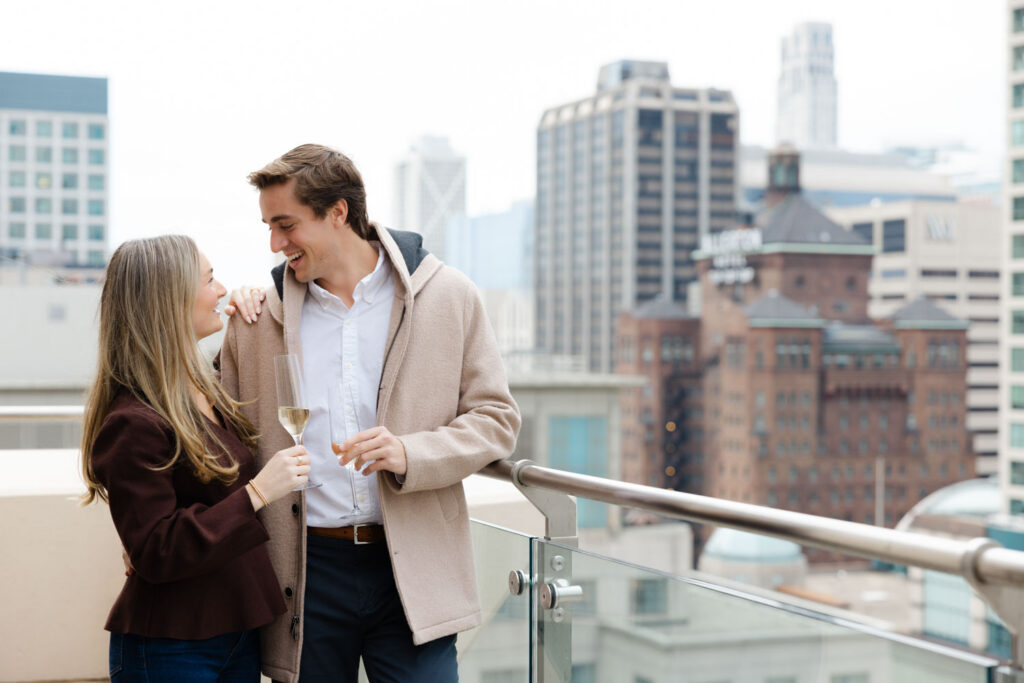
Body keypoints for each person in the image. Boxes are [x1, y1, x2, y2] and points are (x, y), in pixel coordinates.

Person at [218, 144, 521, 683]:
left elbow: (496, 418)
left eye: (286, 224)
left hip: (415, 571)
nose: (274, 243)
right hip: (305, 575)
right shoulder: (258, 318)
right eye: (268, 226)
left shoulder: (448, 297)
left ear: (338, 212)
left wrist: (412, 452)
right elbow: (217, 440)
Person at [81, 235, 312, 682]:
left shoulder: (206, 388)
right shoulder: (134, 421)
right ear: (169, 299)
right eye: (209, 280)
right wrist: (259, 492)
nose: (222, 289)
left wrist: (256, 299)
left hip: (236, 635)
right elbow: (154, 550)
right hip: (173, 648)